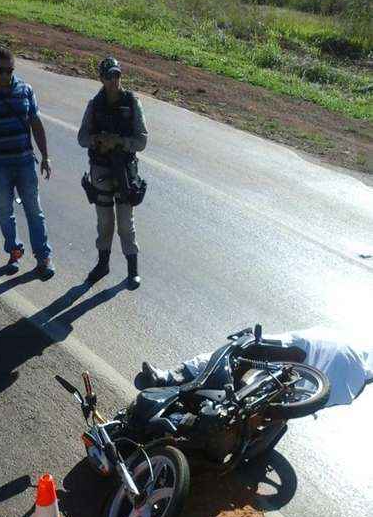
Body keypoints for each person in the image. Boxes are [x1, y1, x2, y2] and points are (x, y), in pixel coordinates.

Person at [0, 47, 54, 279]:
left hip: (25, 163)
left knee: (34, 212)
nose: (5, 75)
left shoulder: (25, 90)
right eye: (0, 70)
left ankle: (43, 257)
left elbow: (36, 123)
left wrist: (45, 156)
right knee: (5, 213)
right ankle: (14, 251)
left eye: (9, 70)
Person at [141, 326, 373, 408]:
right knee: (279, 400)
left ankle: (170, 377)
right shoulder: (362, 368)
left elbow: (273, 344)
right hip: (335, 386)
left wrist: (249, 338)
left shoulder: (341, 341)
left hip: (309, 347)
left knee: (239, 349)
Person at [78, 56, 148, 289]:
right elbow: (82, 138)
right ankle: (103, 264)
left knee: (126, 224)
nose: (114, 80)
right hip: (100, 169)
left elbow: (142, 140)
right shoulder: (94, 105)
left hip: (124, 171)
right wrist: (98, 140)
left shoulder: (132, 102)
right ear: (101, 78)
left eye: (117, 75)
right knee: (105, 222)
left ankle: (133, 270)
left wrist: (119, 142)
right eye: (109, 76)